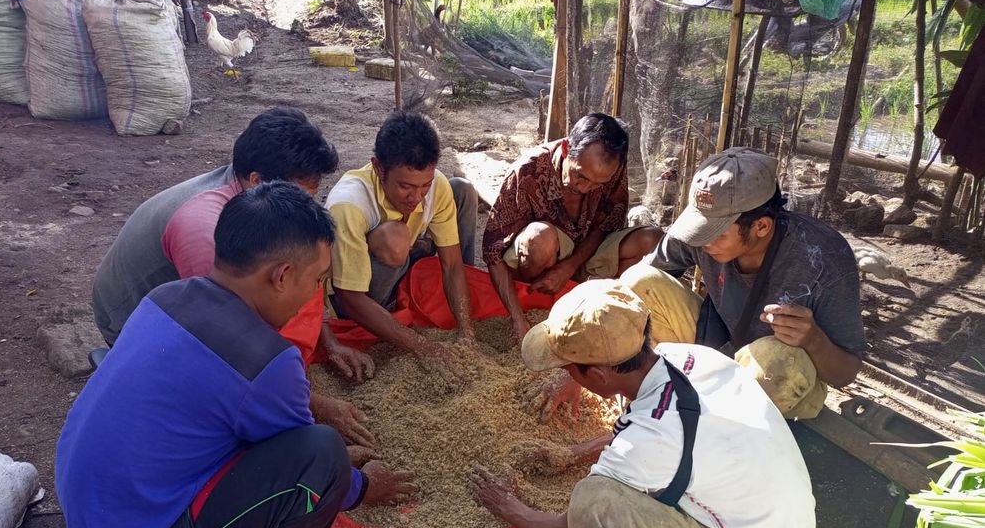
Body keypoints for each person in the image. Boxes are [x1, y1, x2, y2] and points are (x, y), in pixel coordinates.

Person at [58, 182, 416, 528]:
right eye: (317, 280)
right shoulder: (266, 361)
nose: (315, 294)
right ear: (282, 275)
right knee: (324, 451)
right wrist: (364, 486)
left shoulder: (169, 297)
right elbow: (306, 464)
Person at [469, 279, 815, 528]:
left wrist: (507, 506)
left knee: (592, 508)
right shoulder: (689, 357)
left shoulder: (647, 443)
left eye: (568, 370)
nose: (564, 376)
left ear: (598, 376)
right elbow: (656, 427)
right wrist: (574, 454)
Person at [91, 106, 375, 446]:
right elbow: (228, 350)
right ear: (257, 182)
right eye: (297, 196)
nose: (304, 208)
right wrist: (316, 406)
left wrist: (328, 342)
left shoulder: (247, 200)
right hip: (128, 319)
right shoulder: (206, 235)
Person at [628, 146, 866, 419]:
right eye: (698, 228)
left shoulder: (824, 258)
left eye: (715, 234)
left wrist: (813, 339)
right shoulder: (702, 236)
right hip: (715, 346)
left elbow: (846, 373)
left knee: (777, 370)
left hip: (776, 379)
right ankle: (671, 393)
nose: (703, 242)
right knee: (637, 283)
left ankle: (720, 427)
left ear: (761, 226)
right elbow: (633, 290)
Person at [326, 111, 479, 384]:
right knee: (396, 237)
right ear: (378, 167)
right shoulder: (348, 205)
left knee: (461, 189)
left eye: (425, 186)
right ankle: (391, 306)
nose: (417, 198)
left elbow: (452, 264)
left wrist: (466, 332)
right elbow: (349, 297)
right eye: (405, 187)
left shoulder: (436, 187)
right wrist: (422, 347)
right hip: (359, 297)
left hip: (404, 264)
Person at [482, 113, 662, 342]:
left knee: (652, 241)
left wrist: (568, 267)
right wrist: (517, 319)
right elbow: (493, 251)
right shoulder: (529, 170)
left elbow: (605, 226)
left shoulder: (612, 169)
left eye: (599, 183)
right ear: (567, 148)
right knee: (540, 240)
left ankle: (604, 313)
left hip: (585, 256)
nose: (587, 188)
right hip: (539, 264)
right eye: (580, 176)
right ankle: (535, 303)